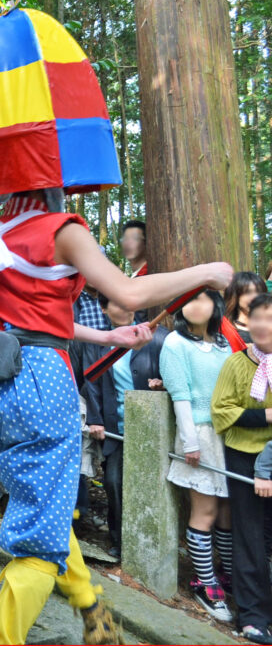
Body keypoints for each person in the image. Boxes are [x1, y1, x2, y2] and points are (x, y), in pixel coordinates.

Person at [0, 4, 233, 645]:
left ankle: (93, 611)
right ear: (58, 167)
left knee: (39, 500)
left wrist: (104, 336)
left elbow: (29, 320)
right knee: (41, 524)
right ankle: (1, 637)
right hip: (41, 386)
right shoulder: (62, 230)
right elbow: (125, 288)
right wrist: (203, 270)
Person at [159, 289, 233, 621]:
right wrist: (190, 442)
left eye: (202, 299)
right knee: (205, 510)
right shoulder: (175, 344)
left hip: (232, 435)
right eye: (187, 300)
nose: (195, 305)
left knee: (228, 511)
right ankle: (205, 583)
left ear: (216, 305)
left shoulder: (224, 343)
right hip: (200, 434)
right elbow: (181, 395)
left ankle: (229, 575)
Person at [83, 293, 168, 560]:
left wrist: (162, 383)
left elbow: (172, 373)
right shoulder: (98, 342)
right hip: (114, 426)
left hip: (149, 427)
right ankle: (119, 540)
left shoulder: (156, 336)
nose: (125, 308)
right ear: (105, 310)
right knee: (113, 482)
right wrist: (95, 419)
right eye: (117, 304)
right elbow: (91, 381)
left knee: (151, 483)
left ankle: (150, 543)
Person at [212, 293, 272, 644]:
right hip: (243, 456)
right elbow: (222, 413)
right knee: (248, 535)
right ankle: (253, 616)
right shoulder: (236, 363)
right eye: (258, 317)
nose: (264, 325)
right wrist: (266, 416)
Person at [225, 271, 266, 345]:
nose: (254, 297)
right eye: (248, 292)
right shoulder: (225, 330)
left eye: (259, 292)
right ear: (235, 296)